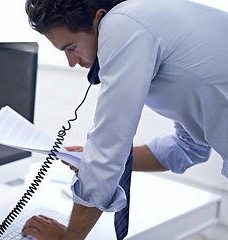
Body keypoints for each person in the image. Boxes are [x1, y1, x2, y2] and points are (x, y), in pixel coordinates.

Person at [22, 0, 228, 239]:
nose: (72, 62)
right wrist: (89, 158)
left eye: (71, 48)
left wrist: (68, 238)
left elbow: (108, 150)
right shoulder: (153, 20)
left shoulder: (122, 25)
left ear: (100, 19)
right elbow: (189, 147)